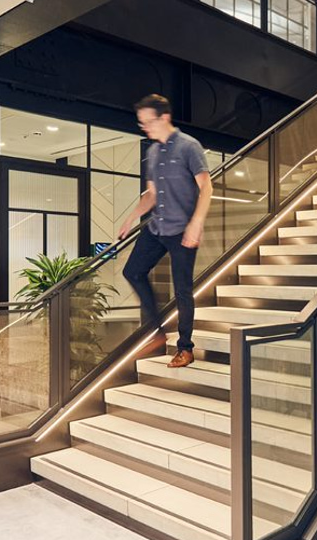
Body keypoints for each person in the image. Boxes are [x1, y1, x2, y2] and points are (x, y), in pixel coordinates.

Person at [119, 94, 213, 368]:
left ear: (164, 118)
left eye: (148, 122)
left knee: (183, 290)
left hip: (183, 230)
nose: (145, 127)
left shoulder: (188, 147)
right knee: (132, 271)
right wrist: (131, 218)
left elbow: (206, 187)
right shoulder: (153, 152)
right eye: (142, 124)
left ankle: (185, 348)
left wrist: (196, 223)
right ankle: (157, 332)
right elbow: (151, 194)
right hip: (157, 225)